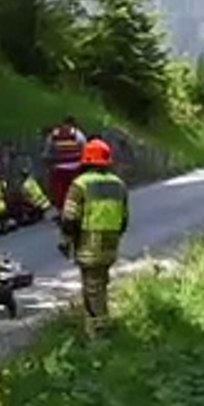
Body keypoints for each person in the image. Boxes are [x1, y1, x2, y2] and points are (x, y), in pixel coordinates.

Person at [59, 139, 130, 339]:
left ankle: (98, 333)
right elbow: (124, 219)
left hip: (88, 245)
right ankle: (100, 328)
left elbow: (69, 218)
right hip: (111, 245)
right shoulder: (119, 185)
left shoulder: (80, 184)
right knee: (101, 285)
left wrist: (66, 240)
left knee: (92, 289)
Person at [43, 115, 86, 208]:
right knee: (74, 192)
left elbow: (47, 154)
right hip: (75, 168)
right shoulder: (78, 134)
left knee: (59, 193)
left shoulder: (54, 135)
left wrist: (49, 166)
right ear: (73, 124)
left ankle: (60, 208)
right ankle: (73, 209)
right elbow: (84, 151)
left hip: (58, 169)